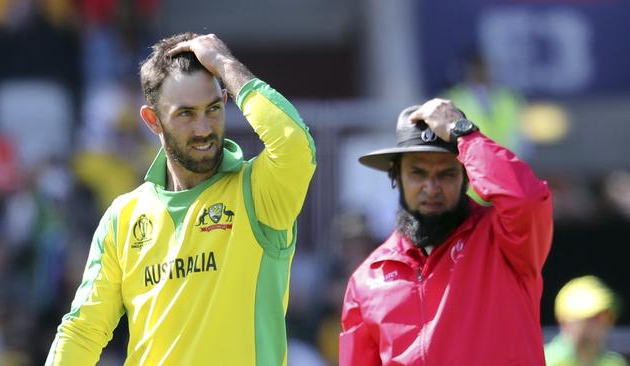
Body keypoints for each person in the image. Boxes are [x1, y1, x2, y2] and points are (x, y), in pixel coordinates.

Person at [45, 33, 316, 365]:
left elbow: (294, 145)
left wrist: (224, 64)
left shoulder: (259, 192)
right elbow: (82, 332)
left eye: (213, 109)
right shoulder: (124, 216)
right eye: (186, 114)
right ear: (152, 120)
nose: (204, 128)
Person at [339, 99, 553, 365]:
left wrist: (462, 132)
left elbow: (527, 198)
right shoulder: (366, 280)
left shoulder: (504, 241)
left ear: (467, 175)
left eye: (446, 174)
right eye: (418, 173)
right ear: (395, 177)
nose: (431, 187)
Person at [545, 275, 628, 366]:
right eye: (593, 316)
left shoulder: (616, 363)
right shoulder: (543, 361)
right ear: (565, 322)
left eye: (608, 315)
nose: (602, 323)